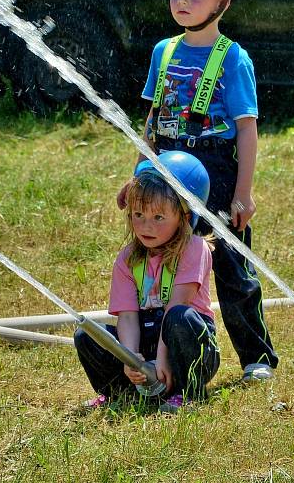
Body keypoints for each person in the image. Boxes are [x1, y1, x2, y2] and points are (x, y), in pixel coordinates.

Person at [117, 0, 278, 382]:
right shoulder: (162, 52)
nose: (182, 1)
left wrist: (243, 193)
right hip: (168, 163)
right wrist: (139, 178)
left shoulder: (233, 59)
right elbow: (152, 118)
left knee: (231, 267)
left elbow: (247, 128)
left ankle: (256, 357)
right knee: (159, 256)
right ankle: (159, 355)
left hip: (217, 169)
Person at [76, 151, 220, 412]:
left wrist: (163, 360)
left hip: (182, 341)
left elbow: (177, 306)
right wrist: (130, 359)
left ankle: (189, 393)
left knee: (180, 317)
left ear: (184, 217)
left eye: (159, 217)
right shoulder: (127, 258)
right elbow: (128, 317)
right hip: (145, 339)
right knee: (87, 334)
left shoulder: (194, 249)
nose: (146, 226)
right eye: (138, 215)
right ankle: (118, 393)